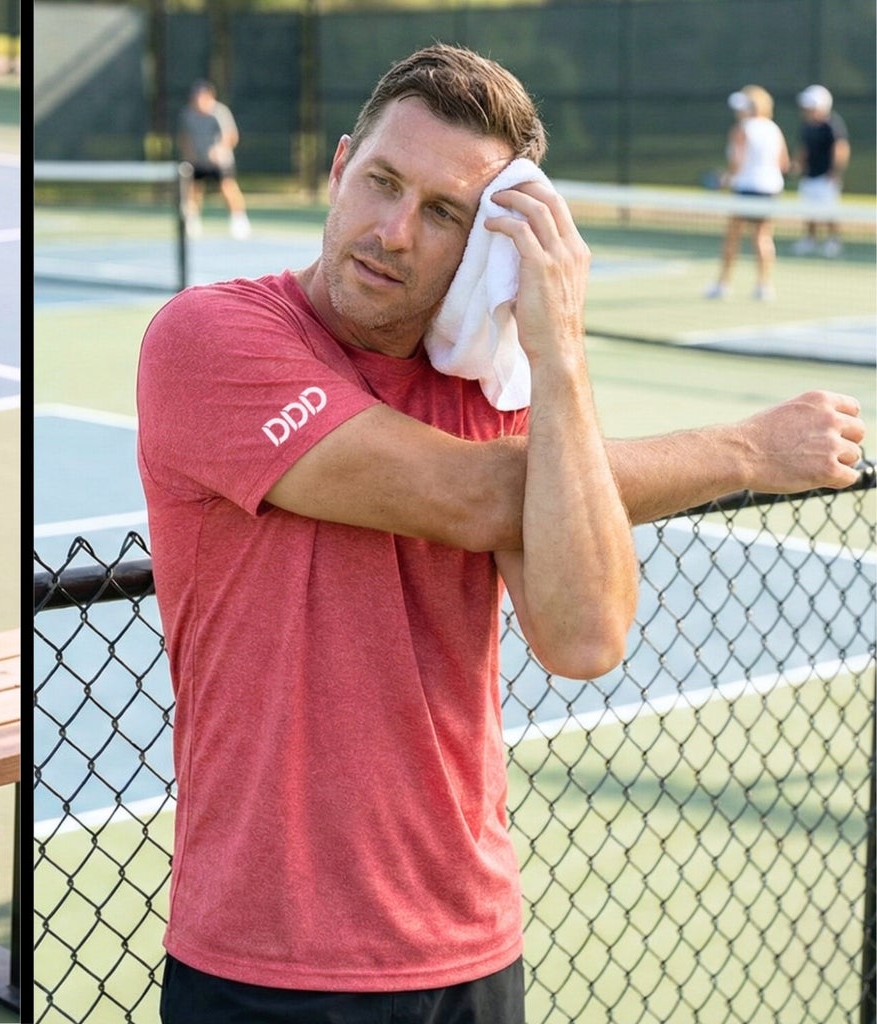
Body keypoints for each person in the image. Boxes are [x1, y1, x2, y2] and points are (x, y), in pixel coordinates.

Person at [137, 44, 865, 1022]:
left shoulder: (497, 394)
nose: (392, 231)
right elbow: (480, 498)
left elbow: (583, 637)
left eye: (443, 213)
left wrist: (556, 352)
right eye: (383, 182)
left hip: (471, 945)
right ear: (341, 164)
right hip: (265, 963)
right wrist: (740, 447)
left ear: (485, 244)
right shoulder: (210, 339)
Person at [714, 84, 792, 299]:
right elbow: (784, 164)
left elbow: (737, 164)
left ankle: (723, 284)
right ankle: (764, 286)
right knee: (762, 237)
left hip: (746, 189)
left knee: (733, 236)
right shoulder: (773, 128)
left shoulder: (741, 129)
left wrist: (725, 179)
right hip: (770, 189)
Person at [183, 80, 252, 239]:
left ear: (209, 96)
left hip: (221, 162)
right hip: (198, 162)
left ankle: (239, 221)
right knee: (193, 189)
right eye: (195, 97)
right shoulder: (188, 114)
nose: (198, 100)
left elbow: (231, 136)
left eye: (201, 96)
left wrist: (219, 150)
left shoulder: (220, 112)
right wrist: (189, 154)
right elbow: (185, 137)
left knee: (228, 187)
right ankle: (192, 222)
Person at [796, 85, 849, 257]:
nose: (806, 109)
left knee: (829, 212)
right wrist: (798, 165)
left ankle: (833, 241)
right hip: (810, 176)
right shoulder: (806, 126)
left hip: (826, 178)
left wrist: (834, 172)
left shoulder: (832, 125)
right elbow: (804, 149)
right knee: (808, 212)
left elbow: (841, 149)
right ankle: (810, 240)